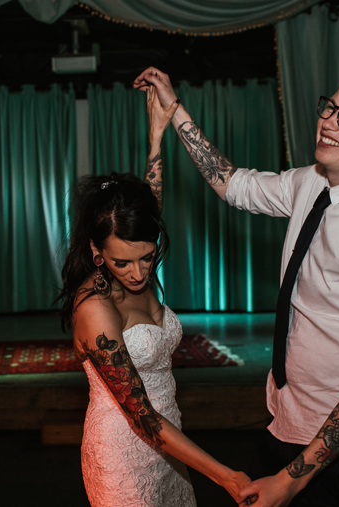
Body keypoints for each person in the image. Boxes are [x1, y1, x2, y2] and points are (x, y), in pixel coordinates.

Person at [134, 64, 339, 506]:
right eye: (331, 107)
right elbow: (232, 184)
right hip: (286, 424)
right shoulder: (311, 182)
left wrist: (292, 480)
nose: (330, 122)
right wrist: (174, 108)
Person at [59, 87, 250, 506]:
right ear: (97, 251)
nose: (138, 272)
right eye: (121, 263)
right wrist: (227, 478)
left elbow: (150, 200)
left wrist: (156, 137)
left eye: (146, 258)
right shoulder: (95, 309)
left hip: (170, 444)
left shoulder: (135, 248)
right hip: (123, 454)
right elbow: (140, 414)